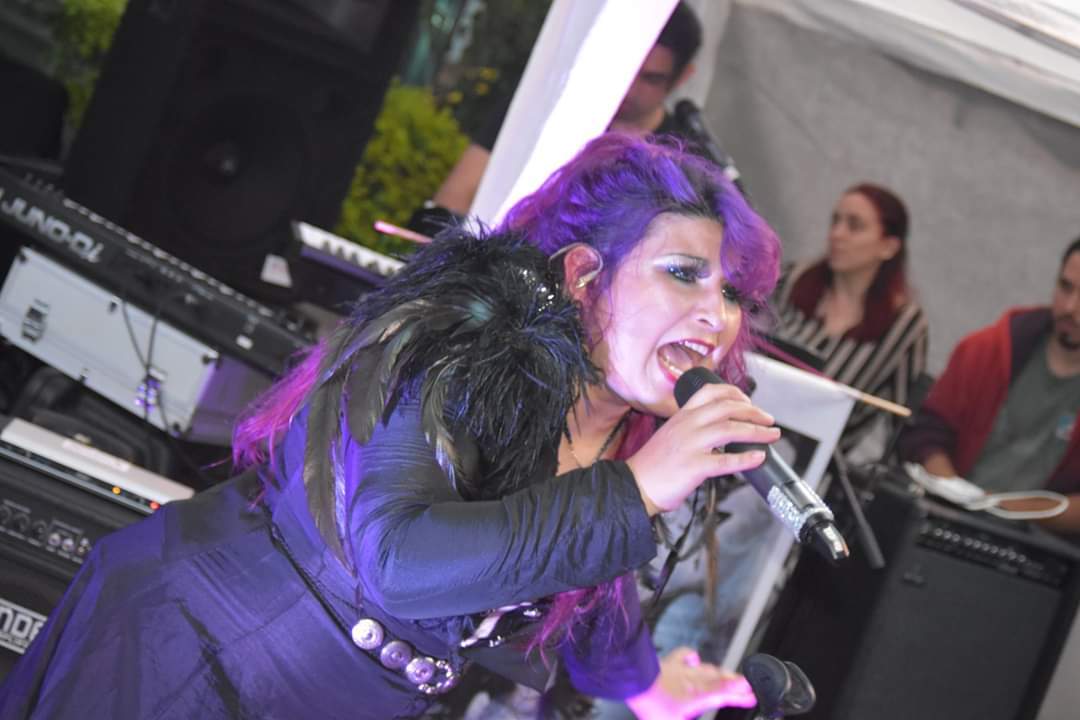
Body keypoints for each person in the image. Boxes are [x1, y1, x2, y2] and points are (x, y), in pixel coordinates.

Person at [0, 134, 783, 719]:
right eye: (684, 274)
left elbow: (590, 592)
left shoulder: (617, 433)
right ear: (583, 275)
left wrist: (647, 687)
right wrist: (636, 490)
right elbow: (399, 559)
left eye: (732, 294)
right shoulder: (458, 339)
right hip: (196, 656)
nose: (715, 316)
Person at [429, 2, 702, 217]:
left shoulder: (685, 161)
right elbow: (456, 195)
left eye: (650, 78)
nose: (628, 88)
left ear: (682, 77)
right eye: (625, 70)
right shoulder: (540, 109)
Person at [898, 237, 1080, 534]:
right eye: (1065, 287)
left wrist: (1003, 510)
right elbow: (926, 431)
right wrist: (953, 495)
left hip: (1038, 544)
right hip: (939, 520)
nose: (1070, 307)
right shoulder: (988, 349)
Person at [771, 183, 928, 456]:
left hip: (813, 464)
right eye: (836, 221)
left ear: (888, 247)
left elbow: (901, 421)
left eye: (854, 226)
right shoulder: (793, 278)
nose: (836, 234)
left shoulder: (904, 325)